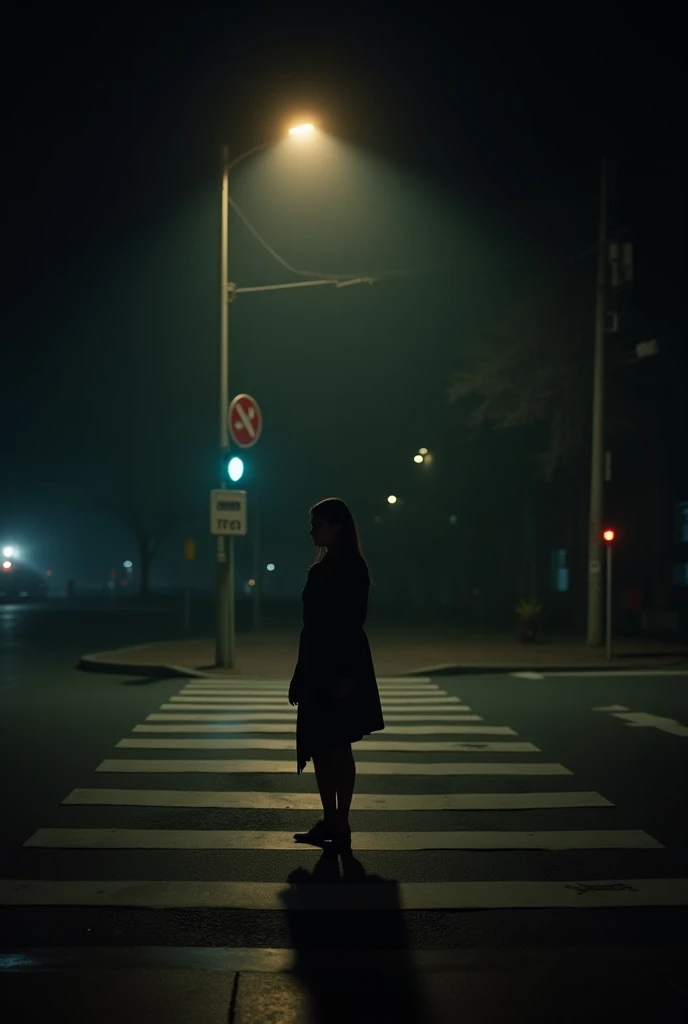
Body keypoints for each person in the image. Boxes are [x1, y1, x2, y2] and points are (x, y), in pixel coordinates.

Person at [288, 497, 384, 851]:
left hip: (340, 665)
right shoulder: (322, 569)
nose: (311, 531)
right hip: (316, 663)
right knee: (320, 746)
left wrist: (346, 675)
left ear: (337, 526)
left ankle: (341, 820)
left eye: (317, 525)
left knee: (338, 745)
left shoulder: (352, 568)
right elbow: (309, 626)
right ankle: (330, 818)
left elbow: (350, 623)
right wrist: (300, 674)